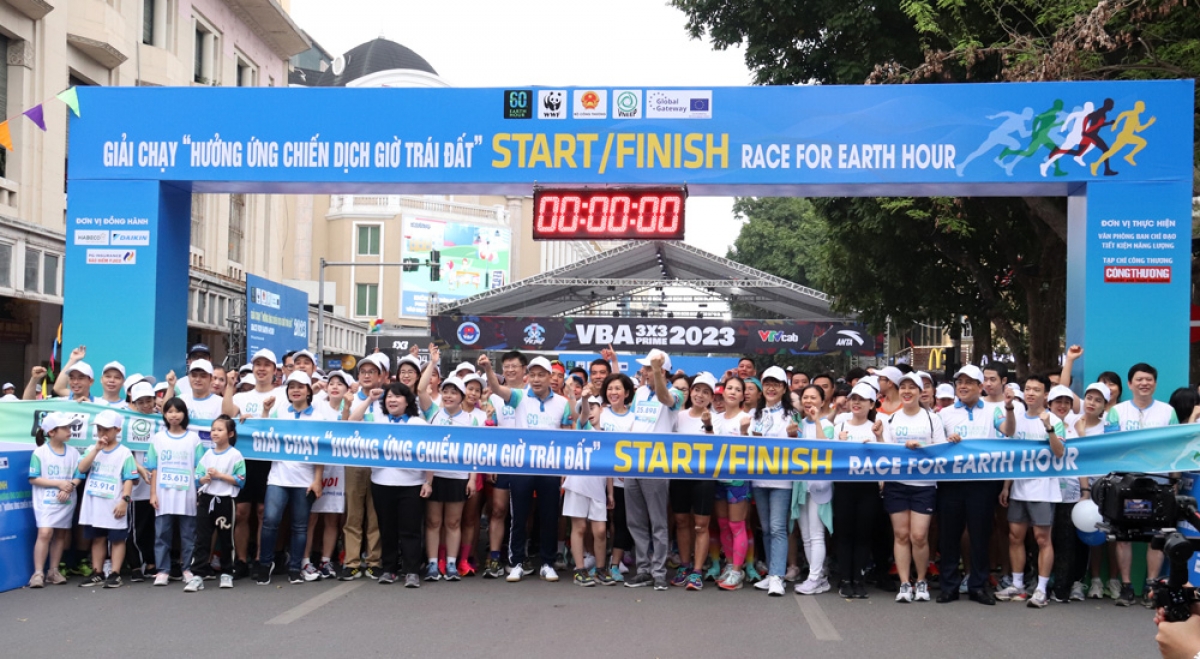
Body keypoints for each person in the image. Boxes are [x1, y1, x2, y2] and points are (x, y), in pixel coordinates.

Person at [478, 353, 572, 583]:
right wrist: (489, 369)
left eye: (542, 375)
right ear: (528, 377)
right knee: (518, 517)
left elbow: (567, 435)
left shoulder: (562, 403)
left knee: (549, 517)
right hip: (521, 466)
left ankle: (548, 563)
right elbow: (497, 390)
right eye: (534, 375)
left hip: (550, 468)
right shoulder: (519, 396)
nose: (537, 379)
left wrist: (565, 470)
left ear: (550, 377)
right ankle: (516, 562)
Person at [1107, 362, 1178, 606]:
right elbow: (1111, 447)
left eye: (1149, 379)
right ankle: (1126, 587)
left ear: (1155, 384)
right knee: (1123, 536)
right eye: (1139, 379)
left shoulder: (1167, 412)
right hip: (1125, 482)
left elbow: (1174, 448)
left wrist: (1174, 481)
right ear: (1130, 384)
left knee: (1157, 536)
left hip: (1158, 481)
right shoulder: (1117, 412)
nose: (1144, 383)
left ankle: (1151, 587)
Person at [936, 365, 1006, 606]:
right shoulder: (944, 414)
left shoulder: (994, 411)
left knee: (980, 536)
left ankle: (978, 586)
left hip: (982, 483)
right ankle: (949, 586)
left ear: (980, 386)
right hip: (951, 482)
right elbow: (935, 445)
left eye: (968, 382)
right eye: (959, 382)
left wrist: (1009, 409)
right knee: (949, 536)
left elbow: (1009, 431)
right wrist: (947, 441)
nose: (963, 387)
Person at [995, 373, 1065, 608]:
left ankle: (1041, 589)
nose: (1031, 393)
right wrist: (1007, 486)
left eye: (1036, 389)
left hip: (1044, 489)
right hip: (1019, 488)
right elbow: (1010, 442)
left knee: (1042, 539)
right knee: (1015, 537)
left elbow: (1059, 452)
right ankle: (1018, 585)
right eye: (1028, 389)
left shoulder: (1054, 419)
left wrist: (1049, 428)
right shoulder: (1016, 417)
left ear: (1046, 394)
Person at [258, 371, 330, 585]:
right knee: (270, 521)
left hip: (304, 479)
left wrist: (317, 479)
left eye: (300, 386)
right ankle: (265, 564)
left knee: (300, 525)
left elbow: (320, 452)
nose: (295, 390)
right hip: (278, 477)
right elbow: (263, 434)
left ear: (308, 391)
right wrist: (265, 410)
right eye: (291, 387)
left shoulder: (318, 417)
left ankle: (295, 567)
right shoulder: (280, 412)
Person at [882, 372, 947, 603]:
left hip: (924, 485)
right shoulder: (891, 419)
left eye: (912, 387)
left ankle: (921, 580)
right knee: (901, 535)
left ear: (920, 392)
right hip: (897, 484)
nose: (907, 391)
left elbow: (941, 450)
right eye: (903, 387)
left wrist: (920, 448)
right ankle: (904, 583)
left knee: (919, 536)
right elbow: (886, 452)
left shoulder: (932, 419)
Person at [624, 349, 683, 591]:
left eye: (648, 368)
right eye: (645, 368)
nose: (643, 372)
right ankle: (643, 570)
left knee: (658, 522)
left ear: (661, 370)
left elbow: (664, 398)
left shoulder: (676, 393)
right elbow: (634, 424)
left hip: (657, 465)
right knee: (635, 521)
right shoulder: (639, 392)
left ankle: (659, 572)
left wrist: (657, 372)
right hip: (633, 463)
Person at [364, 383, 432, 588]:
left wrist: (429, 481)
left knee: (411, 530)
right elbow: (350, 423)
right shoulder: (378, 422)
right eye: (389, 397)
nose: (392, 400)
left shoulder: (418, 423)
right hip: (381, 483)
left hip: (411, 484)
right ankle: (389, 569)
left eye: (397, 396)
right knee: (387, 529)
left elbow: (432, 453)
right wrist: (369, 400)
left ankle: (411, 571)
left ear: (407, 401)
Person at [223, 347, 281, 579]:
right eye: (258, 364)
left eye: (266, 365)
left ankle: (260, 559)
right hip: (244, 460)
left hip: (269, 461)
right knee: (242, 512)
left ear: (275, 370)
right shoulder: (242, 397)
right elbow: (227, 414)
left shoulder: (283, 395)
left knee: (263, 512)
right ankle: (241, 560)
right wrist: (229, 386)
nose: (261, 369)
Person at [418, 363, 479, 582]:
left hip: (458, 477)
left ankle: (452, 563)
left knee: (453, 523)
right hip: (434, 477)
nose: (449, 396)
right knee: (433, 522)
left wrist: (472, 479)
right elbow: (420, 389)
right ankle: (433, 563)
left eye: (454, 392)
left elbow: (474, 452)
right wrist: (433, 362)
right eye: (446, 392)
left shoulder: (471, 420)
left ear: (462, 396)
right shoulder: (433, 413)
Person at [749, 366, 800, 596]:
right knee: (767, 528)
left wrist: (793, 436)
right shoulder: (755, 414)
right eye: (767, 384)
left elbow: (800, 447)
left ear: (784, 388)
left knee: (779, 528)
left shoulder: (791, 414)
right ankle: (771, 573)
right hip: (759, 478)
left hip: (782, 480)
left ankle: (778, 576)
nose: (771, 388)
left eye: (776, 384)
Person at [338, 352, 388, 581]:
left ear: (381, 376)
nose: (367, 376)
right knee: (354, 514)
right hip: (355, 462)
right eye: (363, 372)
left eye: (372, 372)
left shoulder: (388, 399)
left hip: (380, 463)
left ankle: (374, 561)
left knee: (375, 515)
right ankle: (352, 562)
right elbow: (346, 425)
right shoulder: (351, 398)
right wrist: (364, 401)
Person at [147, 397, 206, 591]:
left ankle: (187, 568)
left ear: (184, 414)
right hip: (163, 495)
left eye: (178, 411)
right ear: (164, 414)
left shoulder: (193, 439)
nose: (174, 415)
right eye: (170, 411)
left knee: (188, 534)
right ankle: (163, 570)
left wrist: (198, 493)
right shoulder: (158, 438)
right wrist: (153, 493)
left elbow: (199, 468)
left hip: (187, 494)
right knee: (162, 533)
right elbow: (154, 468)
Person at [75, 410, 138, 588]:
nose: (102, 433)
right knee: (98, 538)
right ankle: (98, 572)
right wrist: (96, 449)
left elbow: (129, 478)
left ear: (117, 430)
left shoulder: (125, 453)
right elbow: (81, 468)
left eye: (107, 429)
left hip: (114, 502)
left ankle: (115, 573)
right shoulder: (92, 449)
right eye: (99, 429)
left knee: (117, 538)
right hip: (95, 503)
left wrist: (124, 500)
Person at [832, 383, 883, 598]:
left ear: (871, 404)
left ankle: (859, 579)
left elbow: (887, 458)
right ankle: (845, 579)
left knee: (863, 534)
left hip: (868, 488)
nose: (856, 403)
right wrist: (840, 443)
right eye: (854, 398)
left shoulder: (876, 427)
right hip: (844, 487)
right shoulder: (840, 426)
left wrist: (878, 440)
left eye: (862, 399)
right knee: (844, 534)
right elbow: (831, 458)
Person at [669, 372, 719, 589]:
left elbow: (717, 450)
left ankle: (697, 571)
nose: (700, 395)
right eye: (697, 390)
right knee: (681, 521)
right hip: (679, 476)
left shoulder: (716, 418)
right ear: (690, 392)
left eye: (706, 392)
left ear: (711, 397)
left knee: (700, 525)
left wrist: (708, 426)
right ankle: (684, 565)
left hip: (704, 478)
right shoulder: (678, 416)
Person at [482, 350, 527, 579]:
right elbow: (490, 430)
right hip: (502, 461)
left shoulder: (531, 395)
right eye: (506, 366)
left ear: (524, 369)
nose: (510, 370)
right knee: (498, 509)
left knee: (522, 513)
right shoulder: (494, 397)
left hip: (527, 462)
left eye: (514, 366)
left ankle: (518, 556)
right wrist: (491, 463)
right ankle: (494, 556)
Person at [304, 370, 353, 580]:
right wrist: (314, 388)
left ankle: (326, 560)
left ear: (347, 389)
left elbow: (346, 431)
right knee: (311, 517)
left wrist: (347, 407)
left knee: (333, 517)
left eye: (340, 384)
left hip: (338, 469)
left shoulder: (351, 408)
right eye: (331, 383)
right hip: (315, 468)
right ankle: (305, 560)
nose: (334, 387)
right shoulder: (317, 404)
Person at [191, 415, 246, 590]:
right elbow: (198, 476)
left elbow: (240, 480)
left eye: (220, 430)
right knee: (202, 538)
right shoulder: (208, 454)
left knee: (226, 538)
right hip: (207, 499)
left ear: (230, 433)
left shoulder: (235, 455)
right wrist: (204, 479)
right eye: (213, 429)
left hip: (225, 500)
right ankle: (197, 574)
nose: (215, 433)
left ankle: (227, 572)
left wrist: (220, 476)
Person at [791, 382, 835, 597]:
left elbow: (824, 447)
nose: (808, 401)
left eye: (813, 397)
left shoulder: (827, 424)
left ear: (823, 401)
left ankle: (815, 578)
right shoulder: (797, 424)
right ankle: (816, 576)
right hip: (801, 486)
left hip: (819, 486)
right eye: (805, 398)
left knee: (817, 534)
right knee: (806, 536)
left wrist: (816, 419)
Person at [28, 412, 81, 588]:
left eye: (69, 427)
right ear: (51, 432)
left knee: (60, 534)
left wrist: (70, 486)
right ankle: (38, 573)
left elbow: (79, 475)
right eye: (64, 428)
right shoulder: (40, 452)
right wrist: (58, 483)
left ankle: (53, 571)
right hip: (45, 501)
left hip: (66, 500)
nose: (69, 430)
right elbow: (34, 478)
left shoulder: (73, 452)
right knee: (44, 533)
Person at [596, 372, 639, 583]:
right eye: (610, 388)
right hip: (598, 478)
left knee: (621, 521)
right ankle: (596, 561)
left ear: (627, 393)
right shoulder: (600, 414)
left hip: (623, 480)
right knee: (599, 522)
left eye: (618, 388)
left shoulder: (634, 418)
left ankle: (615, 564)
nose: (613, 392)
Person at [710, 377, 752, 588]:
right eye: (729, 388)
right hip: (718, 477)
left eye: (737, 389)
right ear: (723, 392)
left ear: (743, 395)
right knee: (723, 524)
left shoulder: (747, 418)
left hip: (738, 479)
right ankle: (729, 564)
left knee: (737, 525)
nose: (733, 392)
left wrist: (744, 432)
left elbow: (753, 450)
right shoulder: (715, 418)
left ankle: (737, 571)